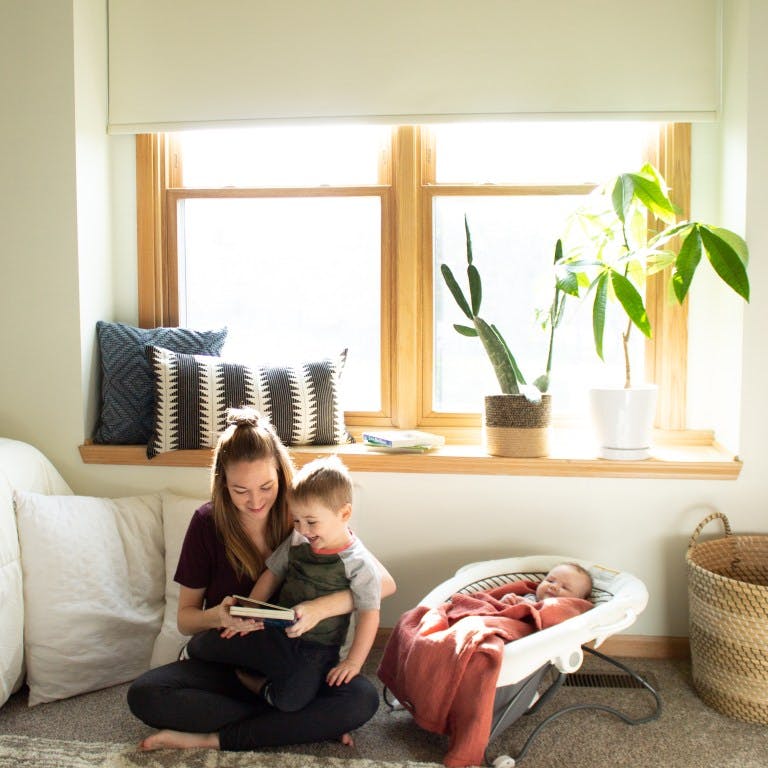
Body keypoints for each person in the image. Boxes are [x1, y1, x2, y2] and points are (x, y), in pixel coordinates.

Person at [127, 407, 396, 752]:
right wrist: (219, 617)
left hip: (295, 661)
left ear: (282, 476)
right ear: (223, 483)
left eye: (266, 486)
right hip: (233, 657)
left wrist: (320, 607)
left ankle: (227, 734)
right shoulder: (207, 523)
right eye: (241, 490)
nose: (255, 501)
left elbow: (383, 582)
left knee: (361, 699)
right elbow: (186, 620)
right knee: (146, 695)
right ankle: (295, 721)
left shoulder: (305, 515)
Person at [186, 454, 381, 711]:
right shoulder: (298, 540)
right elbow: (271, 574)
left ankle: (257, 687)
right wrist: (250, 611)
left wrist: (353, 664)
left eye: (311, 522)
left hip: (317, 648)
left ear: (344, 513)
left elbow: (369, 614)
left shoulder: (359, 563)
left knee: (291, 699)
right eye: (297, 521)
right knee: (205, 645)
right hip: (277, 631)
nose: (303, 529)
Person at [499, 562, 593, 605]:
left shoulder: (571, 612)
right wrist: (507, 602)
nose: (553, 586)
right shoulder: (529, 597)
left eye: (565, 587)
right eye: (550, 581)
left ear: (579, 600)